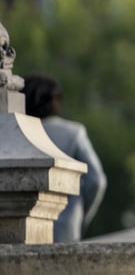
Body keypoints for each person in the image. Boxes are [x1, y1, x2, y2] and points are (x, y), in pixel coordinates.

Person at [22, 74, 108, 242]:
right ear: (54, 100)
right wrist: (81, 213)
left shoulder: (19, 132)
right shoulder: (73, 133)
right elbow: (97, 181)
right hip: (66, 227)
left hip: (25, 229)